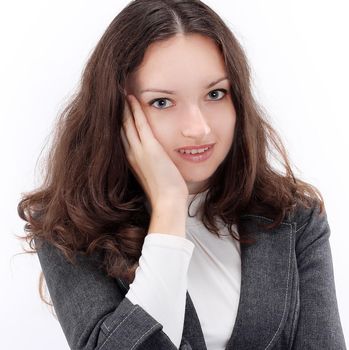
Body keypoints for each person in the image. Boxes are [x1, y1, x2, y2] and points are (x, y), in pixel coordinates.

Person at [17, 0, 347, 349]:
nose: (199, 129)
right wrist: (169, 208)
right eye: (162, 102)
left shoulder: (294, 219)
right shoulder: (69, 228)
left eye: (215, 94)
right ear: (116, 113)